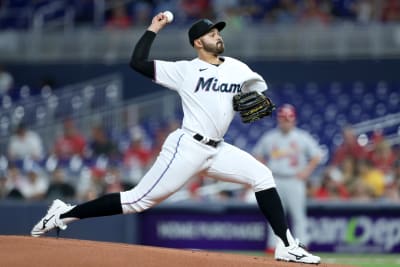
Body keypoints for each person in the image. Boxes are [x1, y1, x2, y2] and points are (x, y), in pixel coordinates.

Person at [31, 14, 320, 264]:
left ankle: (286, 245)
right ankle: (64, 214)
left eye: (218, 32)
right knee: (137, 201)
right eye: (212, 34)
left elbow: (259, 97)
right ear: (198, 43)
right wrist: (153, 28)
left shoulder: (237, 68)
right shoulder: (184, 70)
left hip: (217, 150)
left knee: (262, 175)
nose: (218, 37)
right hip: (187, 147)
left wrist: (257, 103)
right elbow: (137, 62)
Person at [252, 104, 322, 253]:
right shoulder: (270, 137)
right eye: (283, 118)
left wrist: (306, 172)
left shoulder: (302, 137)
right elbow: (257, 154)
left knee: (298, 215)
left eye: (288, 118)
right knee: (275, 214)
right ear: (279, 119)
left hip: (294, 179)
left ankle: (302, 245)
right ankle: (274, 245)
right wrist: (265, 170)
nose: (285, 121)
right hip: (275, 179)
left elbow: (317, 155)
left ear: (294, 120)